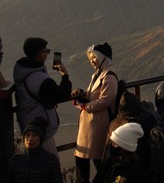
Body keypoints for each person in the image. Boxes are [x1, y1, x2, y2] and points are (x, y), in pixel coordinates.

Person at [13, 37, 72, 157]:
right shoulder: (39, 80)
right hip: (39, 130)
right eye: (46, 51)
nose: (47, 54)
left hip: (30, 126)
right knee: (49, 164)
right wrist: (64, 75)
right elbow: (61, 94)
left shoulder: (25, 70)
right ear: (40, 55)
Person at [72, 43, 118, 183]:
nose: (92, 60)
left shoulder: (109, 77)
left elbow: (105, 101)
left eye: (94, 57)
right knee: (85, 159)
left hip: (99, 124)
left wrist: (85, 106)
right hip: (91, 125)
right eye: (90, 58)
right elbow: (94, 94)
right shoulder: (98, 74)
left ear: (103, 57)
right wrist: (82, 93)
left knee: (98, 161)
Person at [8, 117, 62, 183]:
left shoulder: (50, 160)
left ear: (41, 139)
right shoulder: (16, 159)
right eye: (27, 135)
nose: (30, 139)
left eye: (34, 135)